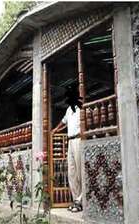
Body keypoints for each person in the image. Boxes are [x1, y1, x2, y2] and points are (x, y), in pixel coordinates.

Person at [52, 83, 83, 213]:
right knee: (71, 172)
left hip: (79, 139)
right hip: (70, 141)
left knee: (81, 171)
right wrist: (55, 130)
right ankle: (76, 199)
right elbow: (64, 122)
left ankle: (81, 201)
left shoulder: (82, 107)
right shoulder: (69, 109)